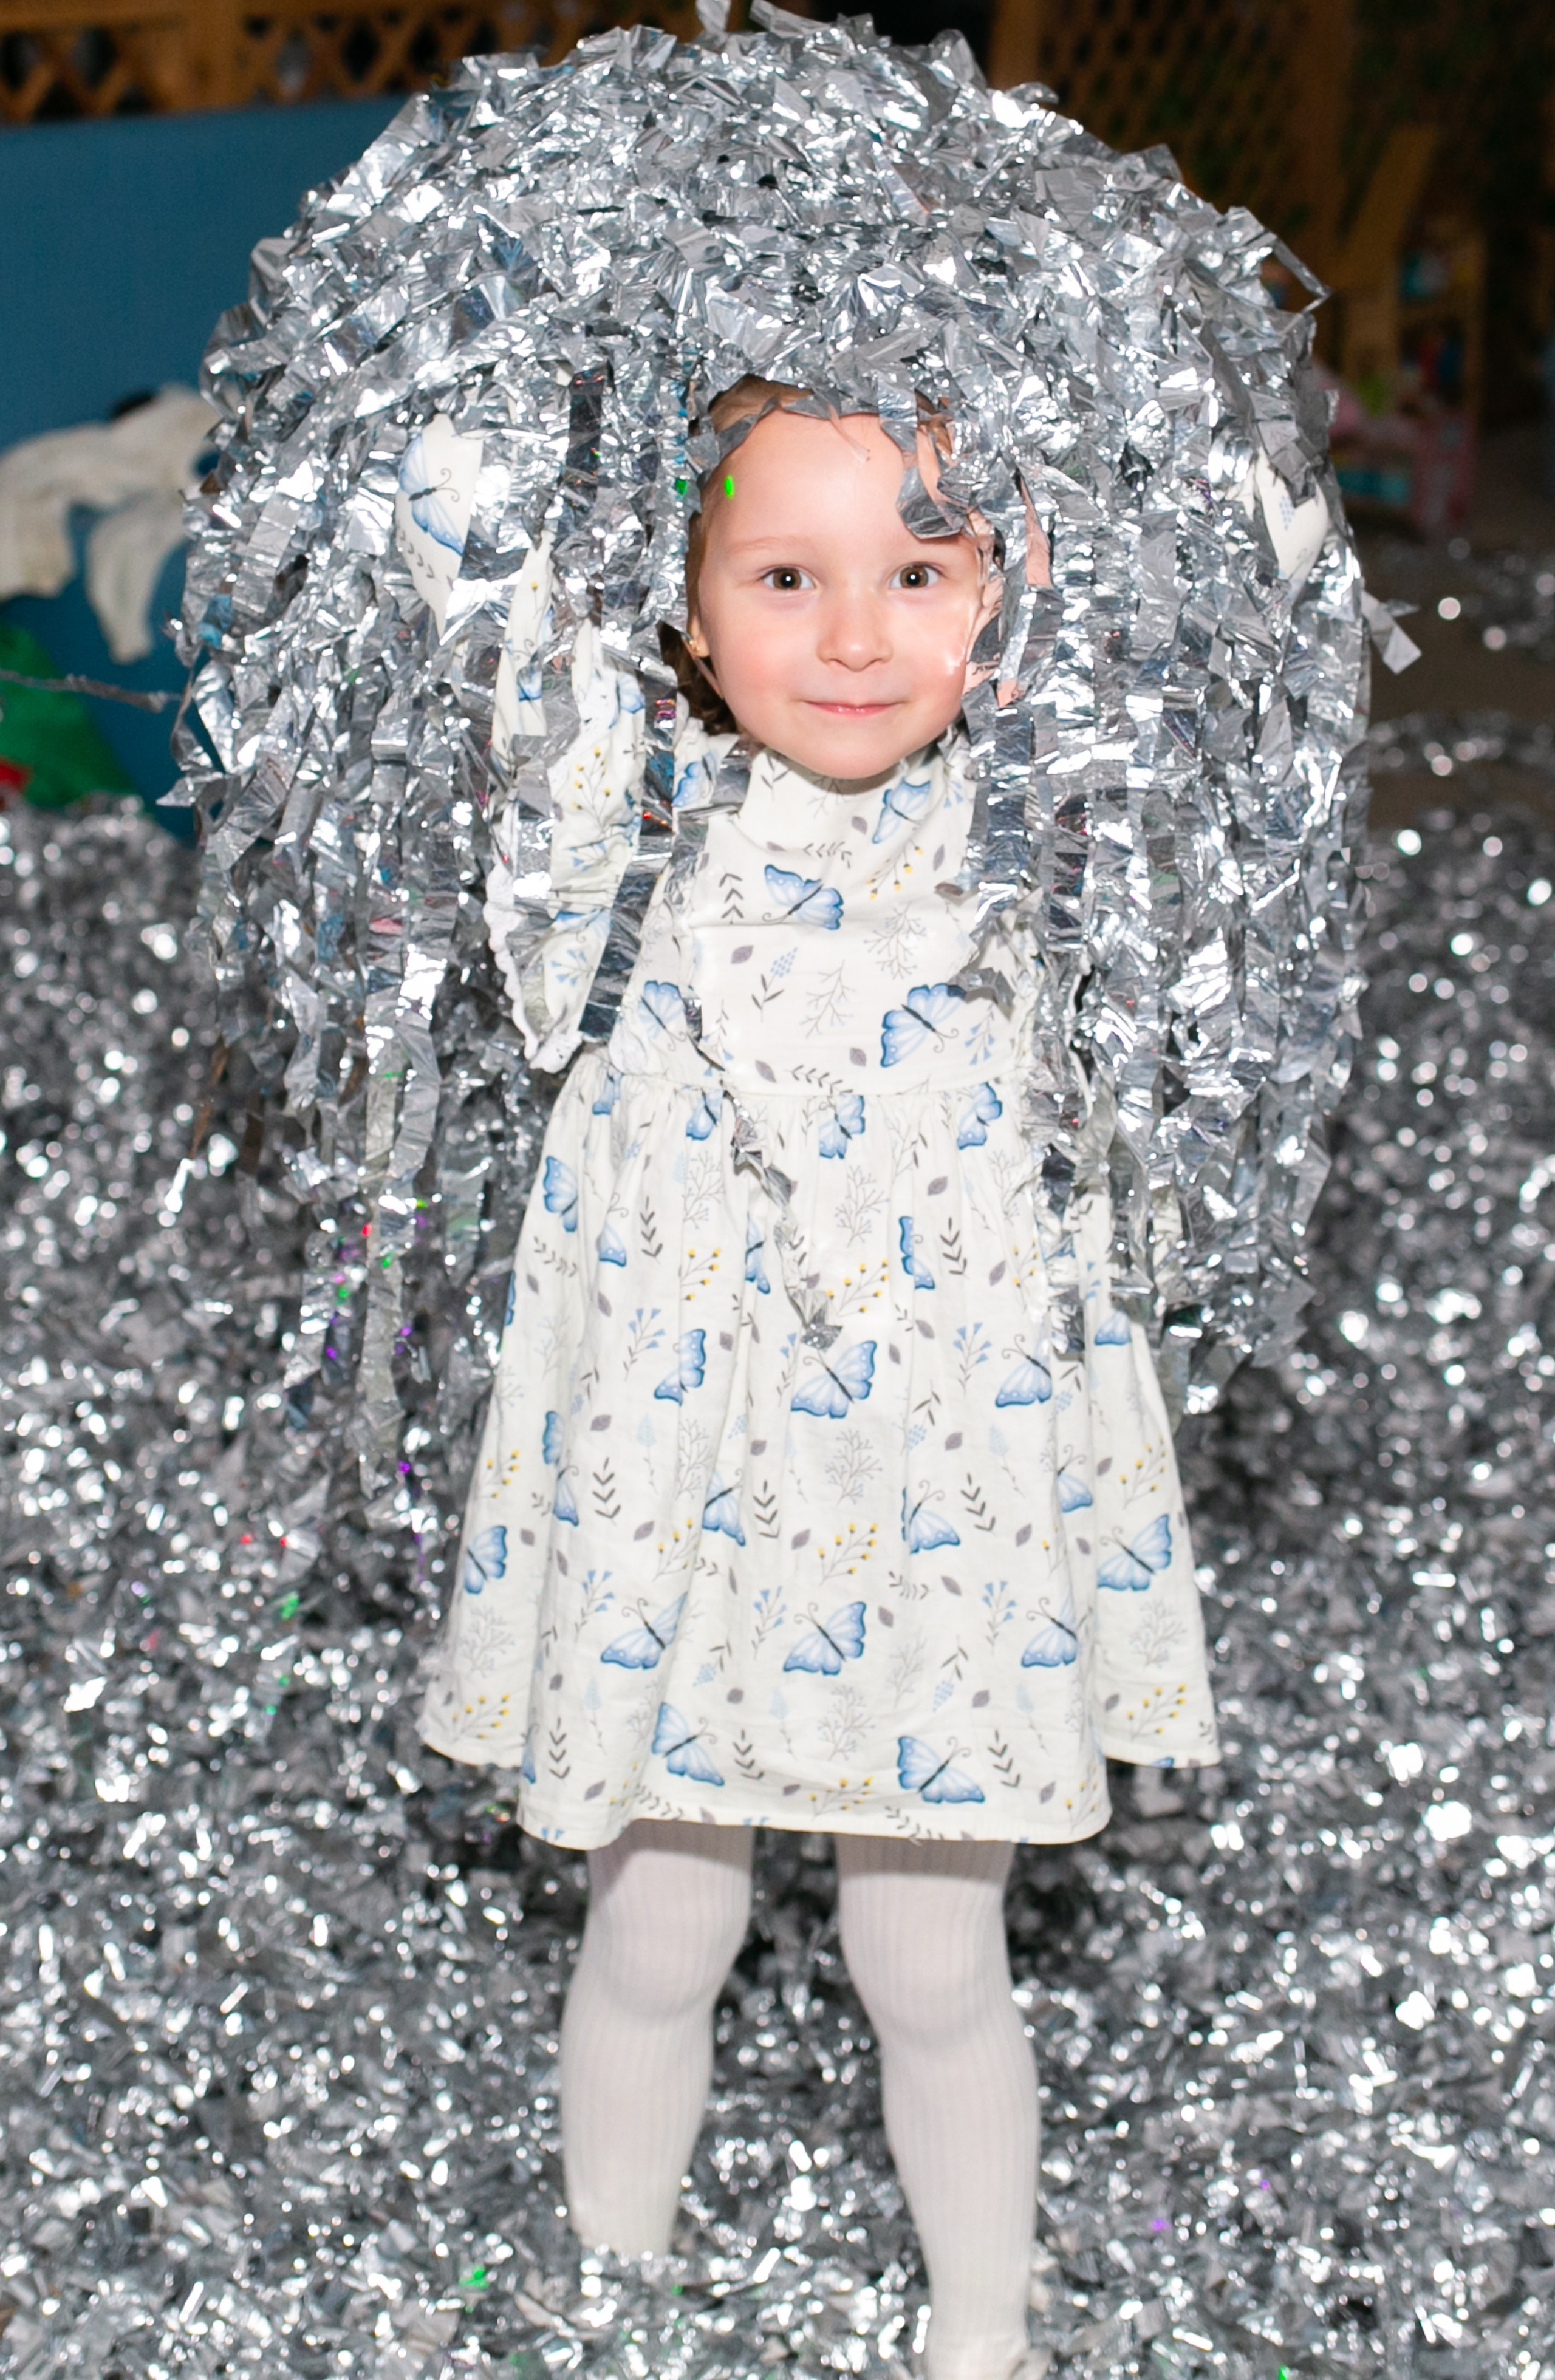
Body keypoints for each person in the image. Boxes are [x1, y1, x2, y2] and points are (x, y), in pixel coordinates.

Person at [419, 377, 1222, 2380]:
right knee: (660, 1926)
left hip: (926, 1529)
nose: (857, 636)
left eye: (920, 572)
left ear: (1003, 595)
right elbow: (483, 612)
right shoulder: (629, 860)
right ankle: (608, 2301)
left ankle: (984, 2334)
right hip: (690, 1509)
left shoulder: (1035, 857)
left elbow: (1236, 638)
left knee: (926, 1954)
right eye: (787, 578)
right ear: (688, 616)